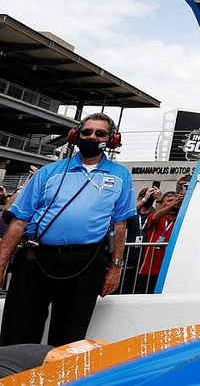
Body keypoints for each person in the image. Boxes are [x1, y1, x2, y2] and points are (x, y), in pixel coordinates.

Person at [0, 113, 135, 347]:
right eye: (86, 132)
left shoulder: (121, 175)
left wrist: (115, 267)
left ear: (111, 140)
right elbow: (20, 220)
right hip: (36, 258)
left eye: (100, 133)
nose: (92, 137)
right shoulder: (49, 172)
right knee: (18, 329)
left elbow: (120, 224)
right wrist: (1, 264)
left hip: (86, 262)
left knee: (70, 336)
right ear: (75, 136)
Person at [135, 191, 182, 294]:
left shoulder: (181, 220)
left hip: (169, 270)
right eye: (169, 201)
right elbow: (155, 217)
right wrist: (173, 204)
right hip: (149, 269)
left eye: (176, 200)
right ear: (161, 204)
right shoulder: (155, 216)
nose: (174, 203)